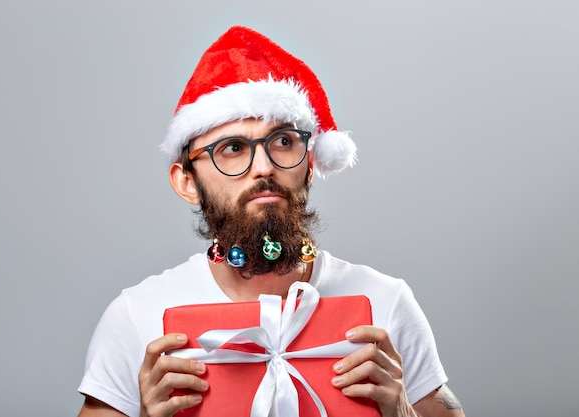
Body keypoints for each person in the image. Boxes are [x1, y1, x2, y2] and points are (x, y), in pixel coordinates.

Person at [77, 25, 465, 417]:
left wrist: (402, 412)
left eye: (282, 141)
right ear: (186, 181)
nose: (264, 167)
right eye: (231, 148)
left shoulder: (386, 302)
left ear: (311, 164)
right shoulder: (137, 315)